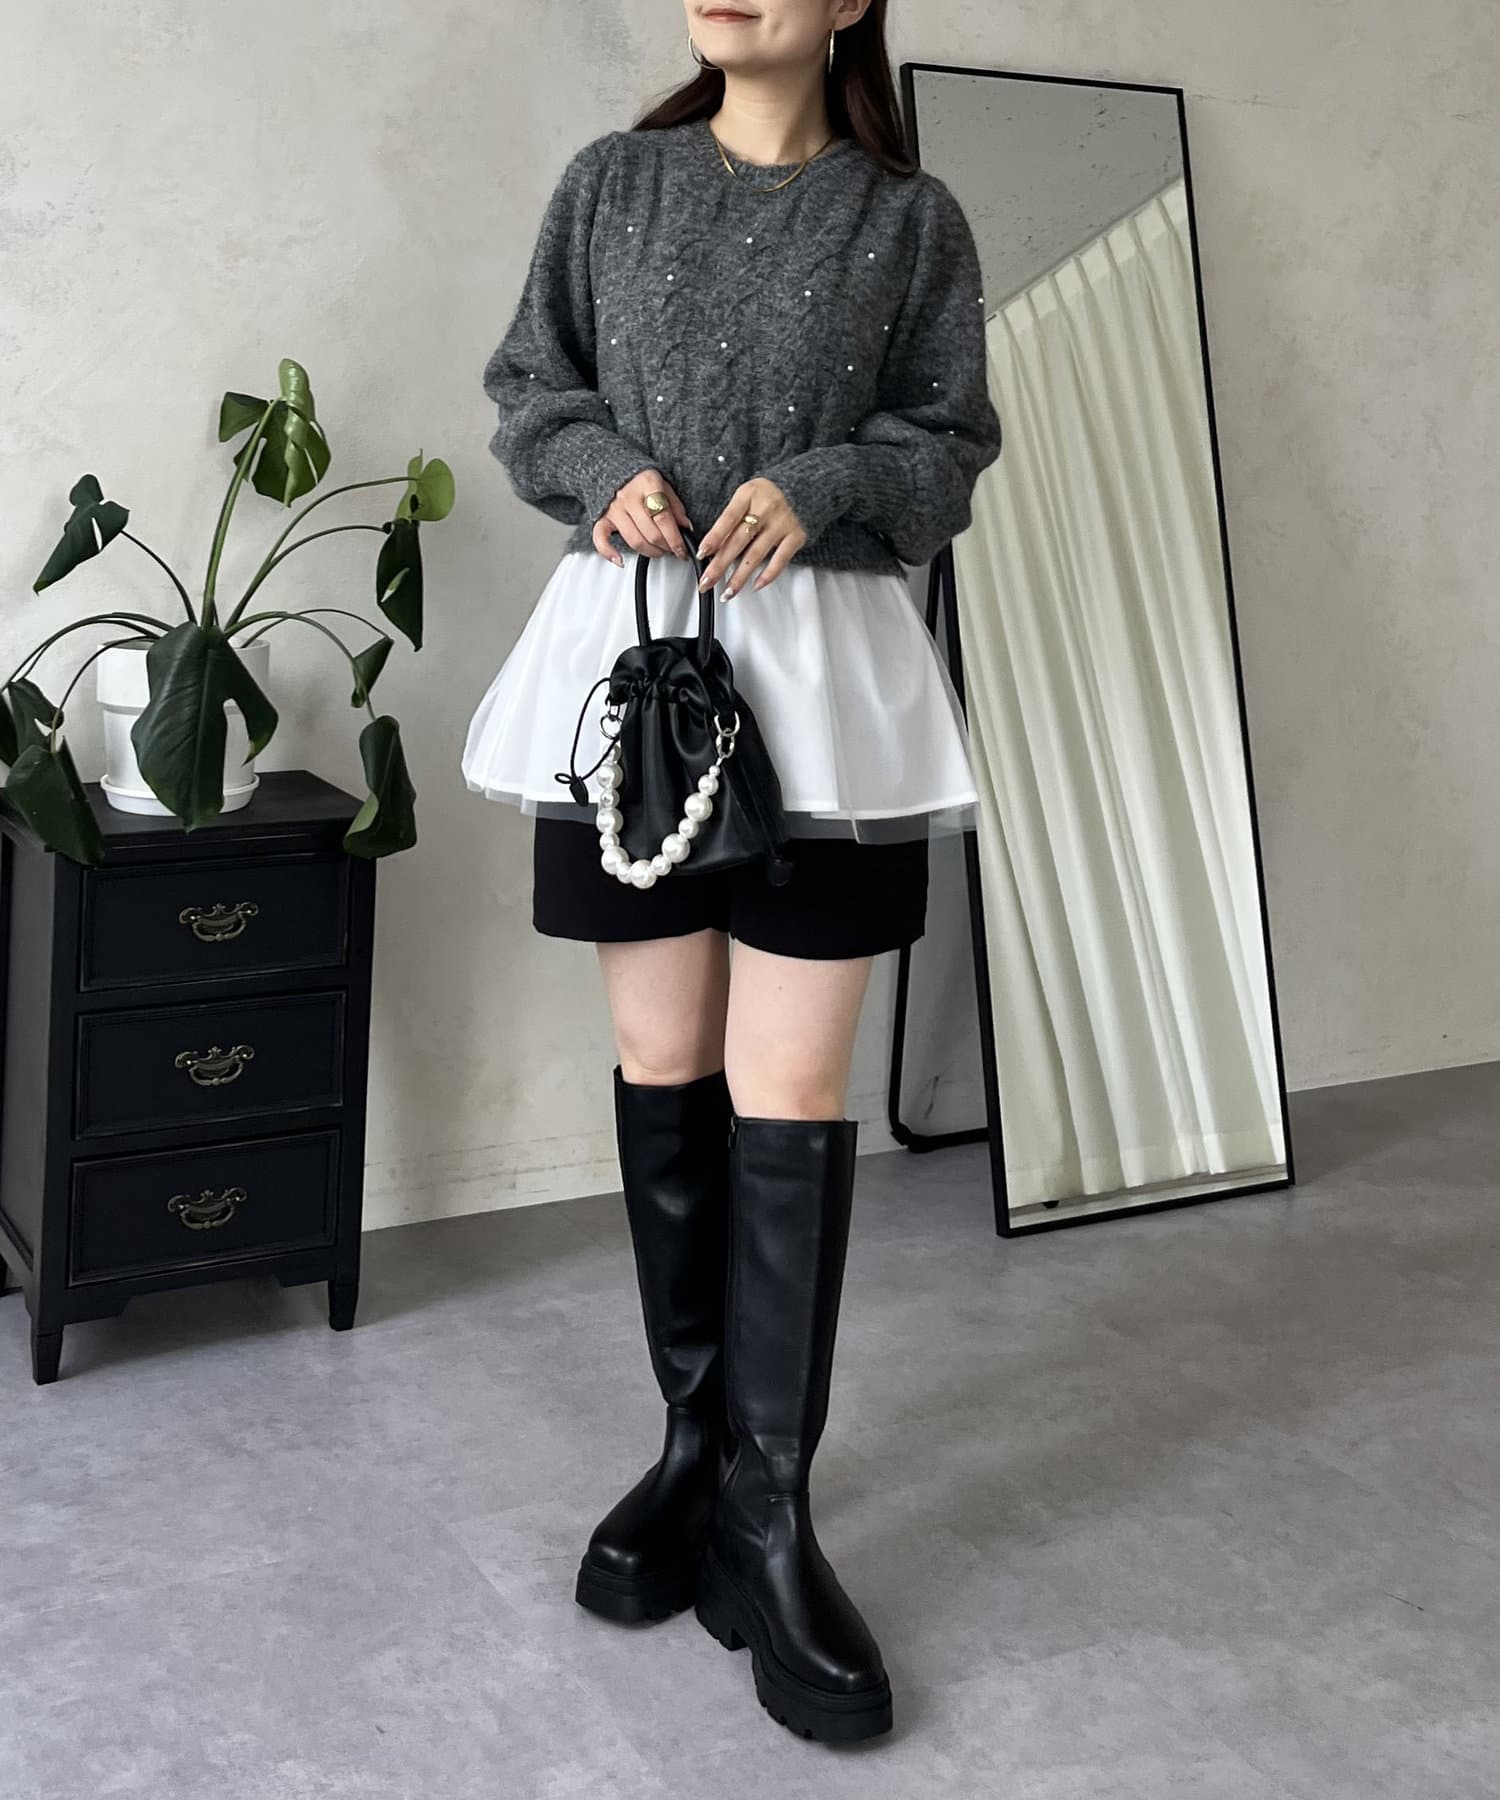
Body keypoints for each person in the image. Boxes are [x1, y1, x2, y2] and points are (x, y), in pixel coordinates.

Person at [462, 0, 1001, 1746]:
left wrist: (827, 480)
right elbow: (529, 390)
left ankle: (772, 1511)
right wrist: (607, 471)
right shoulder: (611, 185)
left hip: (826, 687)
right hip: (632, 674)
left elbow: (951, 441)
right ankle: (693, 1448)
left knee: (792, 1093)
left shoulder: (908, 220)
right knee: (662, 1064)